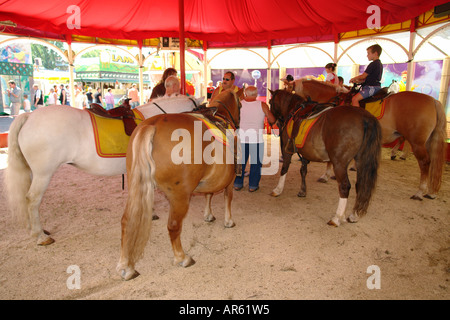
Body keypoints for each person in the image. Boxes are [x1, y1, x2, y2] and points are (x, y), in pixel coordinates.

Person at [233, 86, 276, 193]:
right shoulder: (262, 105)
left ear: (245, 94)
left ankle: (238, 184)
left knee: (240, 163)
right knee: (256, 164)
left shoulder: (239, 105)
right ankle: (253, 185)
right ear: (256, 94)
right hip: (256, 139)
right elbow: (272, 119)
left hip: (241, 138)